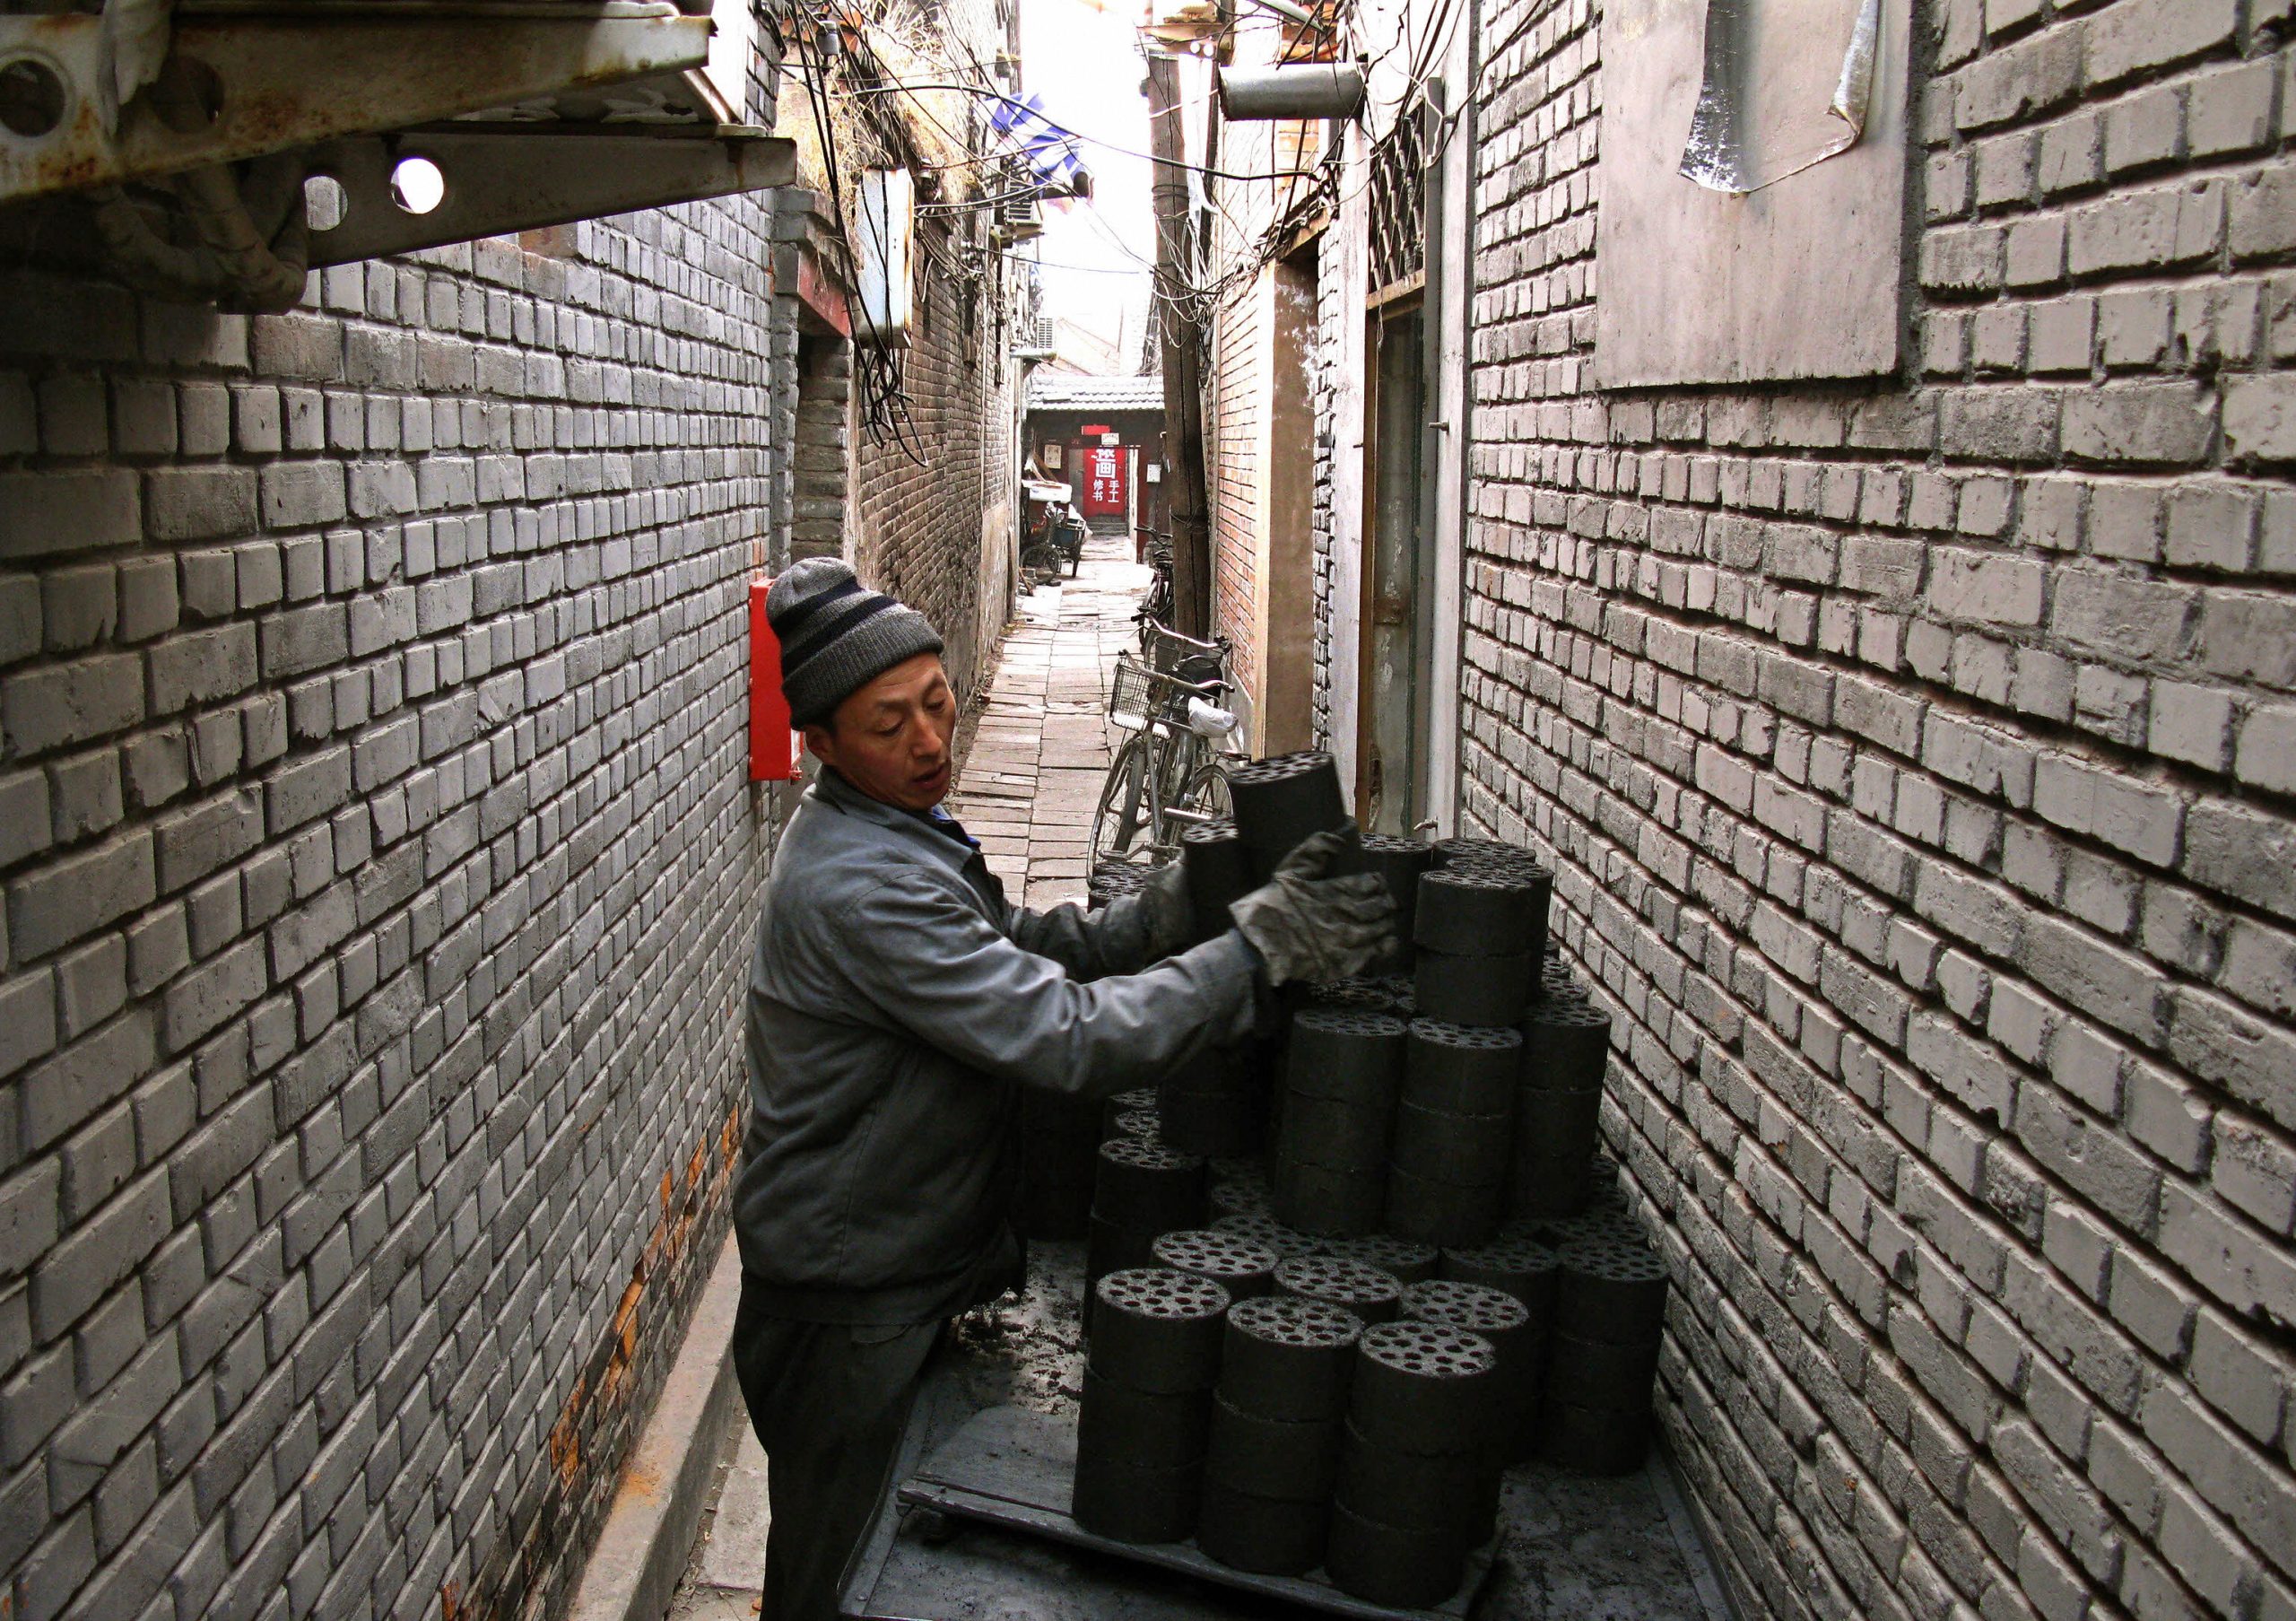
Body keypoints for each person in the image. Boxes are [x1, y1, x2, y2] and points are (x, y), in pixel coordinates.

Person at [734, 557, 1394, 1620]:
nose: (931, 742)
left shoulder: (899, 830)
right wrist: (1256, 952)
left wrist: (1161, 916)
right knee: (835, 1577)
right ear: (820, 744)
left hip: (891, 1265)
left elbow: (1015, 949)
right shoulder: (861, 887)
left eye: (938, 703)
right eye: (888, 724)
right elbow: (1065, 1037)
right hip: (844, 1303)